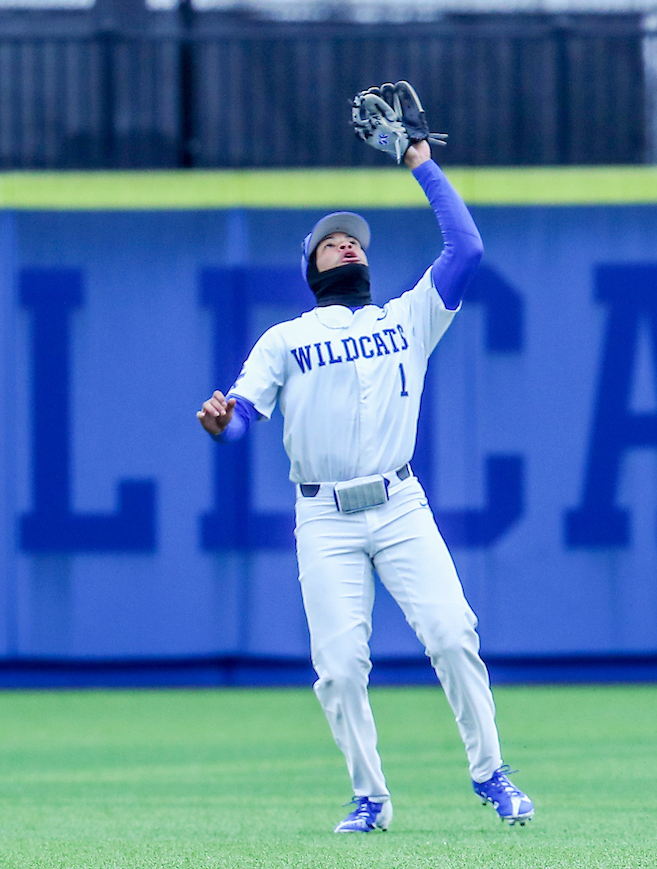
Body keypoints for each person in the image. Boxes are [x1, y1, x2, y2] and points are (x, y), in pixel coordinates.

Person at [197, 139, 535, 833]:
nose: (346, 243)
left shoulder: (406, 318)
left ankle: (491, 774)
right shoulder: (284, 339)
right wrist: (220, 424)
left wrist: (418, 160)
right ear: (312, 269)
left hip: (400, 503)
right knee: (342, 667)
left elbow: (466, 250)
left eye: (353, 238)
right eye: (330, 242)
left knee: (452, 633)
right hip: (324, 517)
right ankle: (371, 797)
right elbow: (242, 421)